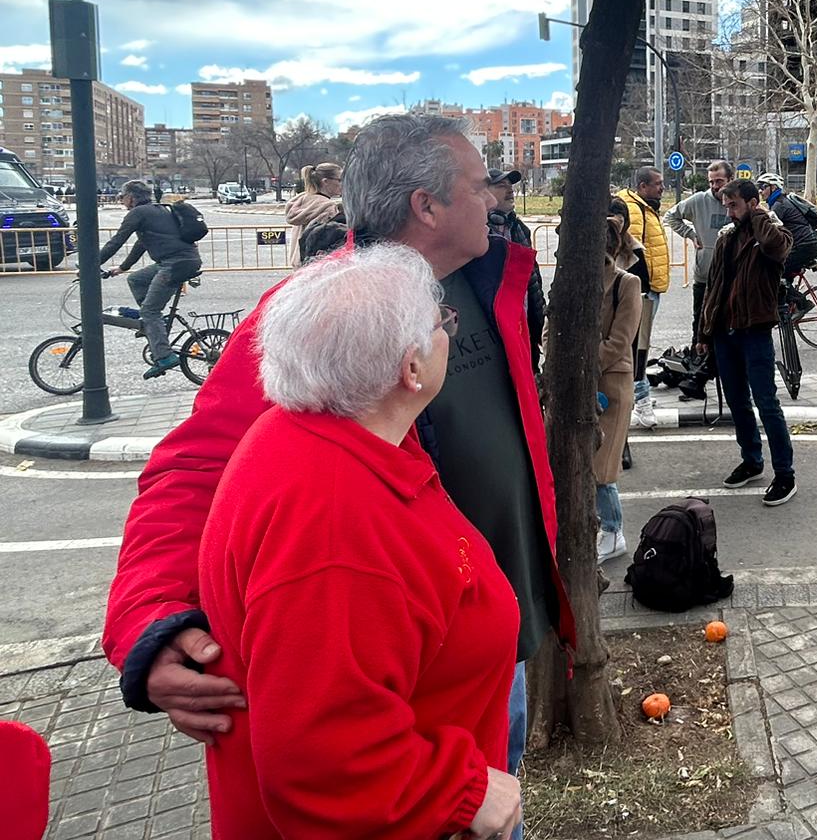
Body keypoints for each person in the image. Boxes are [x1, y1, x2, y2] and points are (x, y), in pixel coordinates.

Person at [101, 115, 569, 840]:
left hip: (487, 639)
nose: (500, 197)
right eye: (483, 185)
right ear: (428, 206)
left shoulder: (485, 276)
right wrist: (150, 620)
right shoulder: (324, 318)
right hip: (390, 690)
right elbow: (193, 467)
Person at [199, 243, 522, 839]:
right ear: (411, 369)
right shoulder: (333, 528)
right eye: (440, 322)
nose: (448, 330)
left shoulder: (316, 436)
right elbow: (321, 759)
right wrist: (463, 793)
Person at [701, 179, 797, 506]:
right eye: (726, 206)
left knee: (766, 403)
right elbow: (714, 287)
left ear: (753, 203)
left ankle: (785, 473)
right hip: (725, 333)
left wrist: (757, 217)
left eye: (735, 205)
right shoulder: (727, 237)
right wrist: (703, 333)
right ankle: (752, 460)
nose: (728, 212)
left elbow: (778, 248)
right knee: (737, 402)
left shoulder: (770, 231)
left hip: (755, 330)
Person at [100, 179, 204, 379]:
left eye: (122, 197)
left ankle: (164, 356)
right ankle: (154, 325)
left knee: (149, 311)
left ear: (131, 197)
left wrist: (91, 263)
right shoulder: (157, 210)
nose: (121, 201)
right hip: (182, 260)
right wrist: (122, 268)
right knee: (136, 280)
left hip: (176, 264)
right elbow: (141, 244)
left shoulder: (138, 213)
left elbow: (117, 240)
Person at [662, 160, 732, 399]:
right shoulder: (699, 201)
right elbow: (671, 217)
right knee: (700, 325)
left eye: (719, 181)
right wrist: (691, 235)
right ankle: (696, 376)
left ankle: (710, 376)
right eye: (711, 182)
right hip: (705, 275)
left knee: (725, 326)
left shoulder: (737, 201)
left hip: (730, 277)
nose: (714, 186)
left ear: (729, 180)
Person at [594, 217, 642, 562]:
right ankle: (597, 528)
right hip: (575, 385)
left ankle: (613, 531)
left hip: (610, 380)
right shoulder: (571, 281)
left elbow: (620, 341)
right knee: (578, 462)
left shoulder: (627, 283)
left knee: (602, 465)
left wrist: (580, 361)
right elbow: (552, 328)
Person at [618, 167, 671, 428]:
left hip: (649, 289)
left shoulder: (646, 206)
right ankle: (642, 403)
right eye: (657, 184)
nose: (662, 188)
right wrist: (641, 290)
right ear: (642, 186)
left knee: (640, 347)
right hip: (642, 290)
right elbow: (632, 254)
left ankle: (639, 398)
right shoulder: (632, 209)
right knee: (636, 350)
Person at [755, 172, 817, 315]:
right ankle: (788, 309)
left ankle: (802, 304)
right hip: (807, 245)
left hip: (804, 247)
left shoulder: (779, 205)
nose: (760, 191)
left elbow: (769, 231)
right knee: (783, 277)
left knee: (772, 272)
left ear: (773, 187)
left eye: (763, 187)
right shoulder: (779, 202)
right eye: (759, 187)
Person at [283, 162, 343, 266]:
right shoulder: (327, 207)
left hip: (298, 262)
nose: (342, 184)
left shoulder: (302, 201)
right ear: (326, 182)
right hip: (318, 264)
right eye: (339, 180)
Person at [488, 168, 533, 248]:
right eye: (502, 186)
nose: (510, 190)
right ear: (485, 192)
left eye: (510, 186)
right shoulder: (473, 232)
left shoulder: (521, 229)